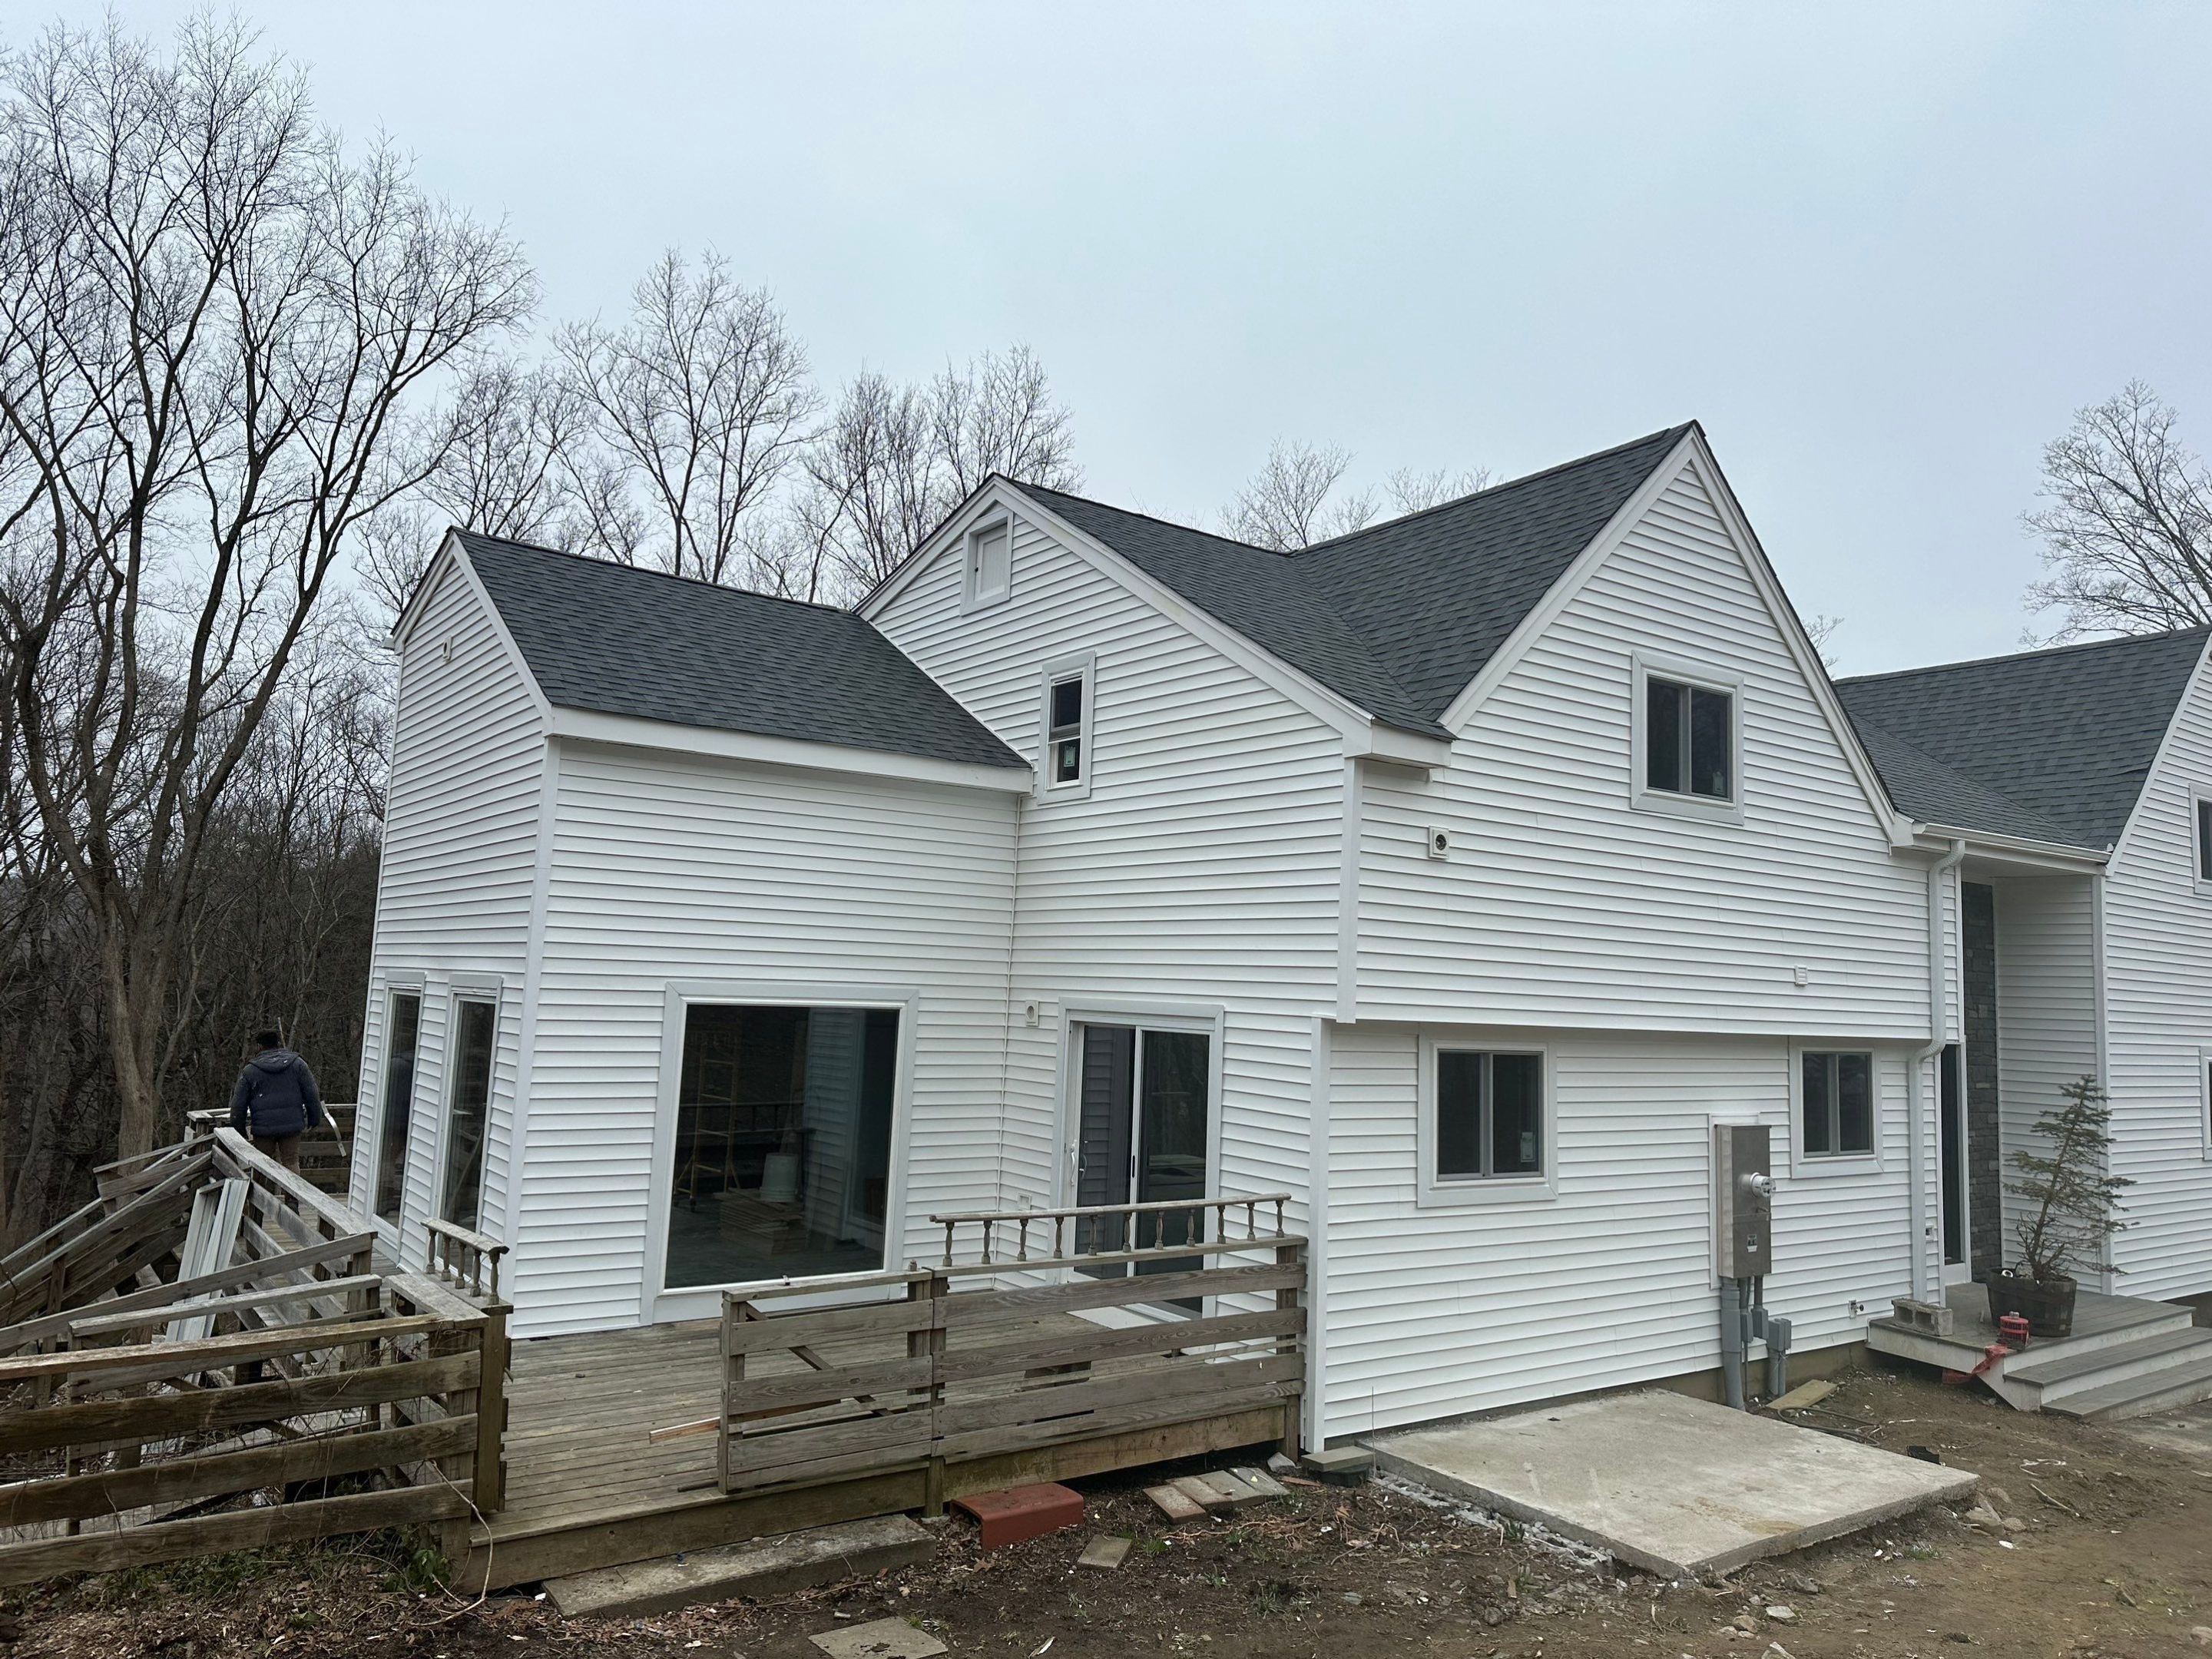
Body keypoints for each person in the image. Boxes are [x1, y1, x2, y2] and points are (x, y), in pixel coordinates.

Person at [228, 1028, 329, 1171]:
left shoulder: (250, 1071)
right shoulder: (298, 1065)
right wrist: (314, 1118)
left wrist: (240, 1129)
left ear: (259, 1046)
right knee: (291, 1162)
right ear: (278, 1043)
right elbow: (312, 1095)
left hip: (263, 1127)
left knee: (262, 1164)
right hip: (291, 1124)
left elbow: (238, 1105)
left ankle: (259, 1192)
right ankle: (291, 1193)